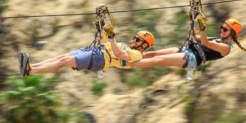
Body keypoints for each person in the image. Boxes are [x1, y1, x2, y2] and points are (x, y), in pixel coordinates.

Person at [130, 18, 246, 78]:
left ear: (232, 33)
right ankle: (130, 55)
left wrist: (202, 29)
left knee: (158, 60)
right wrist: (192, 22)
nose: (221, 30)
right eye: (221, 28)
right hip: (186, 50)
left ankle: (129, 63)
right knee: (154, 54)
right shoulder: (216, 39)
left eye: (225, 29)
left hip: (192, 58)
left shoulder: (225, 48)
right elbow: (196, 37)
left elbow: (205, 43)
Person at [18, 27, 155, 76]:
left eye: (138, 39)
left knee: (65, 62)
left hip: (100, 59)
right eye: (135, 37)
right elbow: (106, 43)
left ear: (144, 45)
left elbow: (119, 55)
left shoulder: (137, 55)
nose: (134, 40)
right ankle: (31, 66)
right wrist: (103, 31)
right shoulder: (125, 45)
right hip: (96, 50)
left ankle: (30, 71)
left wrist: (112, 39)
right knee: (61, 58)